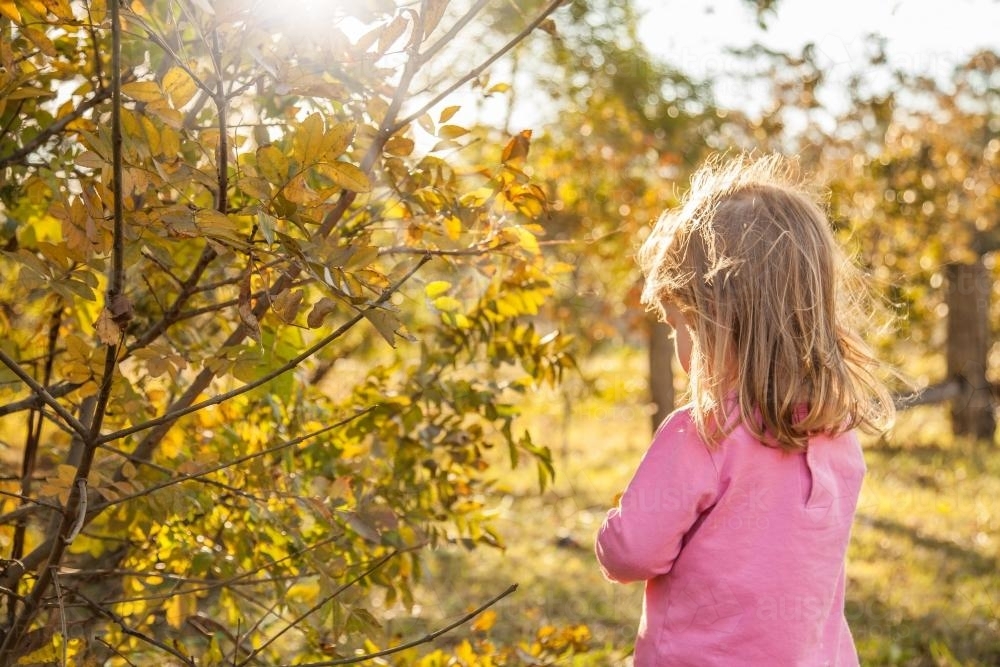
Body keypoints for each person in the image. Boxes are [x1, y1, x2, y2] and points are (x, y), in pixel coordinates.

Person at [595, 153, 895, 666]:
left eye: (677, 325)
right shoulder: (835, 431)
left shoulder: (704, 432)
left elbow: (633, 554)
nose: (677, 345)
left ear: (717, 319)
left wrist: (615, 524)